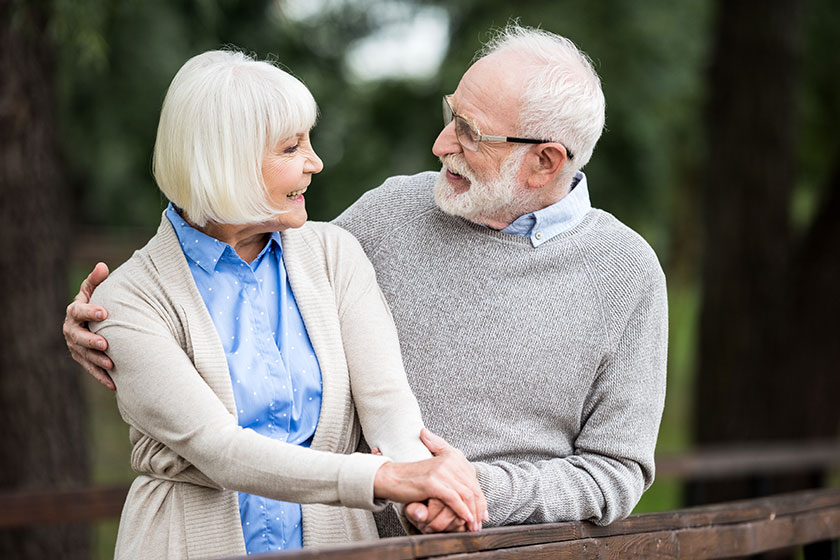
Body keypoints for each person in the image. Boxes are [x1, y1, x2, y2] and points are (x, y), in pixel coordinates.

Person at [65, 24, 667, 537]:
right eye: (449, 115)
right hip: (356, 541)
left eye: (469, 133)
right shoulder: (385, 216)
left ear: (545, 161)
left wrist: (470, 492)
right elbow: (238, 233)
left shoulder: (625, 273)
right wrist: (109, 319)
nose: (439, 145)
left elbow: (615, 472)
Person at [69, 50, 487, 559]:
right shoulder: (128, 301)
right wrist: (386, 477)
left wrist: (426, 494)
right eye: (291, 148)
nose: (316, 162)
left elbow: (390, 409)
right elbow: (222, 452)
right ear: (228, 160)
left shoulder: (336, 255)